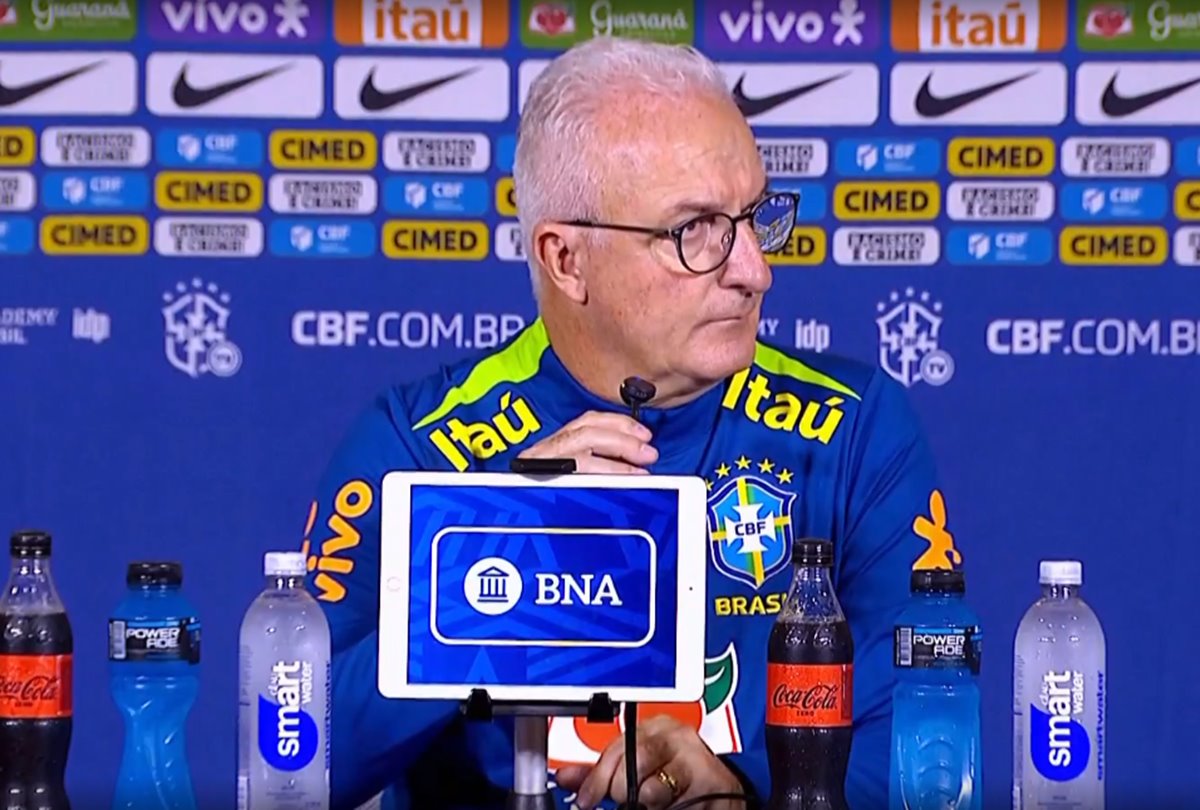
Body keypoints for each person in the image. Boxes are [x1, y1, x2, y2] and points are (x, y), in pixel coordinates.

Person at [299, 36, 965, 810]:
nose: (755, 270)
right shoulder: (418, 444)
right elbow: (296, 754)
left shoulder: (854, 431)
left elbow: (932, 747)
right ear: (567, 259)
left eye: (754, 218)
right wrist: (498, 551)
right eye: (695, 231)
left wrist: (744, 785)